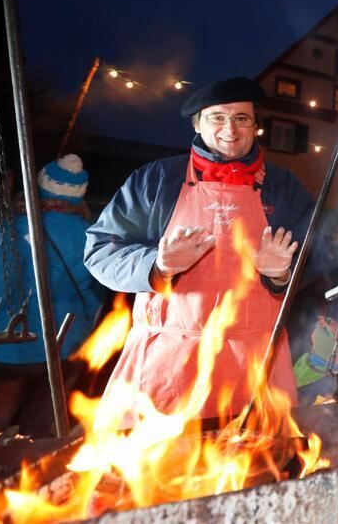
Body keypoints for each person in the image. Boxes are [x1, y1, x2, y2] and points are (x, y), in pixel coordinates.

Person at [85, 77, 312, 424]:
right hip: (169, 361)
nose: (230, 130)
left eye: (241, 118)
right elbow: (101, 250)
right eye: (217, 118)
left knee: (259, 466)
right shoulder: (156, 180)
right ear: (197, 124)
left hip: (256, 364)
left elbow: (314, 262)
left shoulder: (285, 188)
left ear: (255, 126)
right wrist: (156, 265)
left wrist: (282, 273)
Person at [0, 155, 104, 439]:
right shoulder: (94, 235)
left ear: (39, 188)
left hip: (11, 349)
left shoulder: (15, 232)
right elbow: (93, 296)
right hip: (65, 350)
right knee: (42, 438)